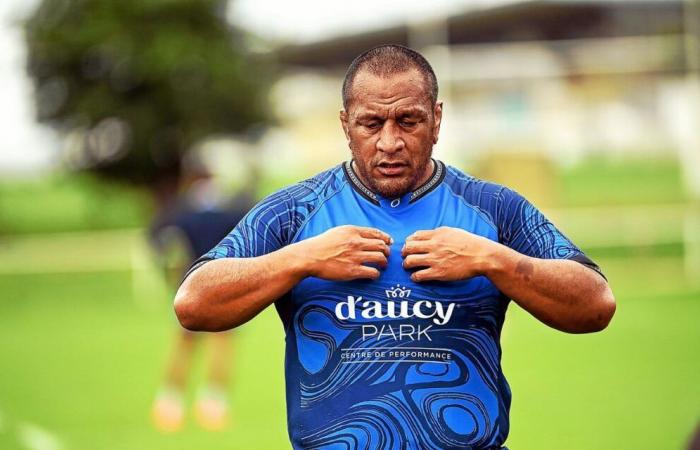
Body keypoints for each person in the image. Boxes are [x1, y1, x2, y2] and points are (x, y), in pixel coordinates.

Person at [173, 45, 616, 449]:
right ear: (346, 124)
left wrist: (491, 258)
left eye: (408, 120)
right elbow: (194, 303)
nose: (390, 142)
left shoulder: (492, 208)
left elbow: (595, 304)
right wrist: (302, 258)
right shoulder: (294, 213)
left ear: (436, 120)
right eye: (371, 123)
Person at [149, 161, 254, 432]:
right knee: (222, 344)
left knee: (183, 344)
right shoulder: (230, 207)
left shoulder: (183, 209)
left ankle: (169, 404)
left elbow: (159, 239)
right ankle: (214, 406)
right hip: (223, 282)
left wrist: (168, 271)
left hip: (191, 281)